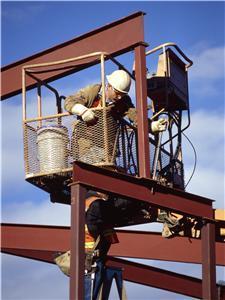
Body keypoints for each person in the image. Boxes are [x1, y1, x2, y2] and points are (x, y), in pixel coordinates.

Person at [64, 69, 167, 132]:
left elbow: (136, 117)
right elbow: (69, 101)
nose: (119, 98)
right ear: (109, 86)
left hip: (108, 147)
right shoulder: (93, 91)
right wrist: (83, 111)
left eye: (122, 94)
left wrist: (151, 126)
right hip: (86, 144)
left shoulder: (124, 100)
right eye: (118, 93)